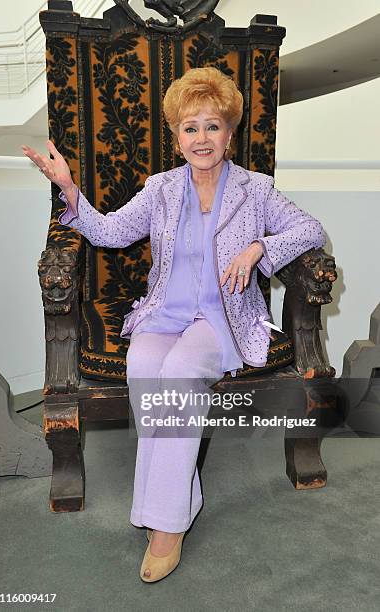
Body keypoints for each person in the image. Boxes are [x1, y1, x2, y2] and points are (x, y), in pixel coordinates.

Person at [22, 66, 326, 583]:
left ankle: (165, 526)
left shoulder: (255, 191)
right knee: (144, 368)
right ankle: (179, 499)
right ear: (176, 135)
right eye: (191, 127)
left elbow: (311, 228)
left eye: (213, 126)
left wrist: (259, 248)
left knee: (182, 372)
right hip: (165, 310)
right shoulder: (160, 189)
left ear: (229, 133)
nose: (202, 138)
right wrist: (70, 189)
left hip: (223, 317)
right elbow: (111, 232)